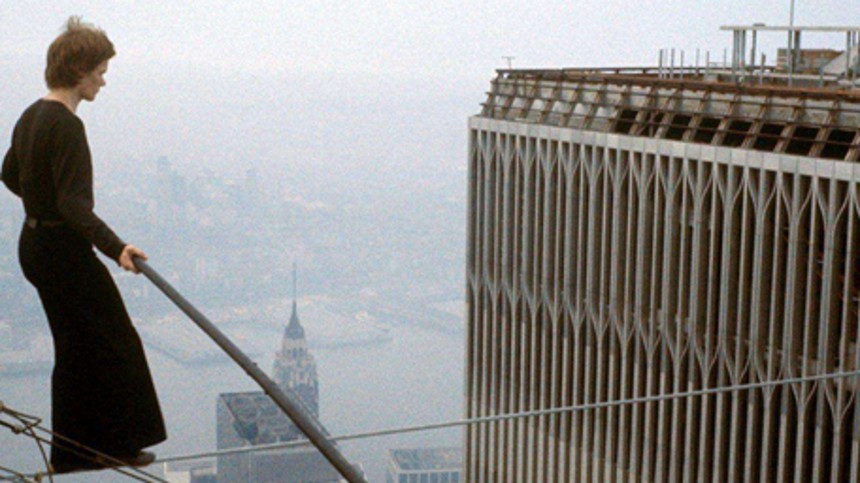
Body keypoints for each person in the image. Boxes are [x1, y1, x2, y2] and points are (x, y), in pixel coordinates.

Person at [1, 17, 166, 473]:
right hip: (60, 250)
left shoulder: (31, 114)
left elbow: (9, 174)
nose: (103, 79)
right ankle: (116, 444)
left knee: (73, 347)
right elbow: (74, 205)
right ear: (78, 70)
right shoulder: (68, 127)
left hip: (33, 245)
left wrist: (42, 204)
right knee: (117, 342)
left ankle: (72, 452)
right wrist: (118, 249)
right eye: (99, 70)